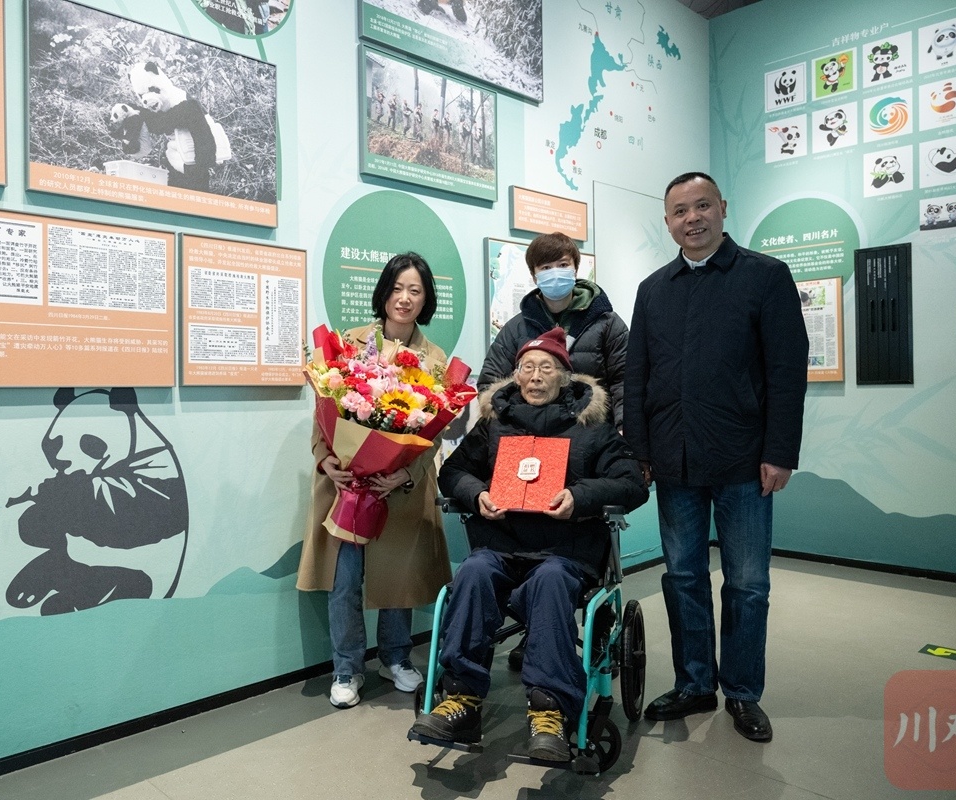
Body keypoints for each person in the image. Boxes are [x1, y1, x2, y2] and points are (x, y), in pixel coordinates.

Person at [622, 172, 808, 743]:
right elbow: (637, 377)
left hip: (744, 460)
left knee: (747, 583)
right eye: (680, 211)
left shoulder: (765, 276)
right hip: (675, 461)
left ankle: (743, 692)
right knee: (683, 577)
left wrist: (780, 452)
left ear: (723, 208)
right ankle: (695, 683)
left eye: (702, 206)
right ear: (668, 222)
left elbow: (786, 371)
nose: (692, 218)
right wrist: (641, 451)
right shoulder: (653, 289)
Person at [413, 328, 649, 761]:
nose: (535, 376)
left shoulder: (592, 427)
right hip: (501, 547)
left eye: (546, 368)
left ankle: (550, 709)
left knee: (551, 579)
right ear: (515, 375)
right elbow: (453, 472)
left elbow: (632, 484)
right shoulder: (494, 425)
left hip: (564, 551)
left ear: (566, 377)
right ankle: (461, 697)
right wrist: (476, 494)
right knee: (472, 572)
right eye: (527, 367)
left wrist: (579, 497)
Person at [296, 252, 453, 709]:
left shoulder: (434, 359)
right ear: (383, 293)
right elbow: (324, 411)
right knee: (345, 579)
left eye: (415, 291)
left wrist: (406, 471)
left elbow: (434, 434)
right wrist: (326, 460)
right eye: (397, 288)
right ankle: (346, 668)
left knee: (395, 578)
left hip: (399, 490)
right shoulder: (350, 344)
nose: (404, 298)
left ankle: (396, 658)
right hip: (348, 486)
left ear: (426, 300)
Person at [479, 232, 629, 428]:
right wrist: (519, 421)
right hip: (532, 435)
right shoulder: (516, 329)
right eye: (546, 268)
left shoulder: (607, 323)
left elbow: (626, 381)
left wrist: (623, 428)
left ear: (575, 269)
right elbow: (491, 383)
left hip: (594, 434)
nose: (555, 272)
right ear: (534, 276)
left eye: (563, 265)